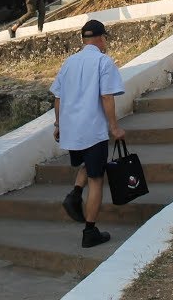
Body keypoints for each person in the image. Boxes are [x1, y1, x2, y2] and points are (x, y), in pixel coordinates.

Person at [50, 19, 126, 248]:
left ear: (84, 40)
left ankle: (74, 194)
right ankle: (90, 231)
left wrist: (58, 125)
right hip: (93, 129)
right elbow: (107, 97)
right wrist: (114, 127)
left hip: (72, 130)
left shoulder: (69, 62)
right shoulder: (103, 61)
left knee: (90, 164)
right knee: (96, 179)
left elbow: (58, 98)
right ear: (102, 38)